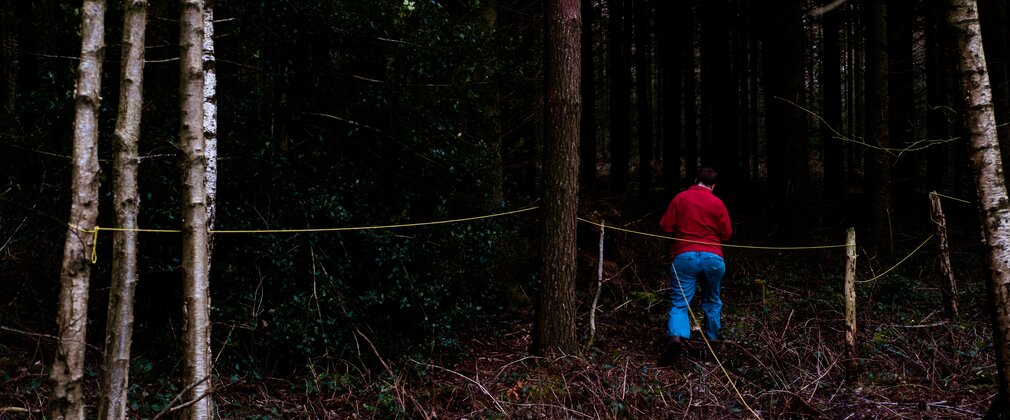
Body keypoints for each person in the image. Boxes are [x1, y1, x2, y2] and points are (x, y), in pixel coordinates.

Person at [657, 167, 732, 365]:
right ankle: (713, 340)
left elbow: (665, 225)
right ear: (713, 186)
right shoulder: (717, 202)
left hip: (685, 256)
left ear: (695, 179)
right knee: (712, 299)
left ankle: (676, 336)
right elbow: (727, 234)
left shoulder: (680, 198)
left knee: (680, 302)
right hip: (713, 258)